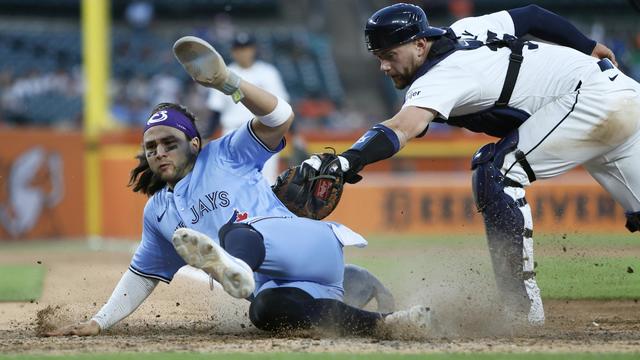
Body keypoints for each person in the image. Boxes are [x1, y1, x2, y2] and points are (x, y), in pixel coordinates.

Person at [45, 36, 426, 337]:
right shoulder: (158, 211)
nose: (159, 152)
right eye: (150, 147)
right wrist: (98, 322)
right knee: (265, 311)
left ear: (194, 143)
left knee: (235, 231)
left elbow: (281, 116)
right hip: (288, 283)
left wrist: (228, 82)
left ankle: (236, 264)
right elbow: (141, 276)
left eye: (168, 142)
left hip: (304, 244)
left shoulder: (225, 152)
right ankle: (387, 320)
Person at [303, 3, 639, 326]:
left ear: (420, 45)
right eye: (379, 57)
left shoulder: (440, 77)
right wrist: (588, 45)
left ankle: (521, 310)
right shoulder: (466, 29)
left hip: (589, 101)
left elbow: (403, 127)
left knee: (497, 171)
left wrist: (347, 161)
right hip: (620, 92)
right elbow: (532, 16)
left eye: (390, 56)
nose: (384, 67)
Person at [206, 32, 289, 184]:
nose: (243, 52)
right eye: (239, 49)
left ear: (253, 49)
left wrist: (295, 134)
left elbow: (282, 107)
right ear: (233, 52)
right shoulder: (224, 74)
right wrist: (207, 136)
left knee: (266, 181)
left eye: (246, 48)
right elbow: (216, 110)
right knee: (232, 180)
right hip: (232, 132)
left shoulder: (269, 73)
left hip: (264, 132)